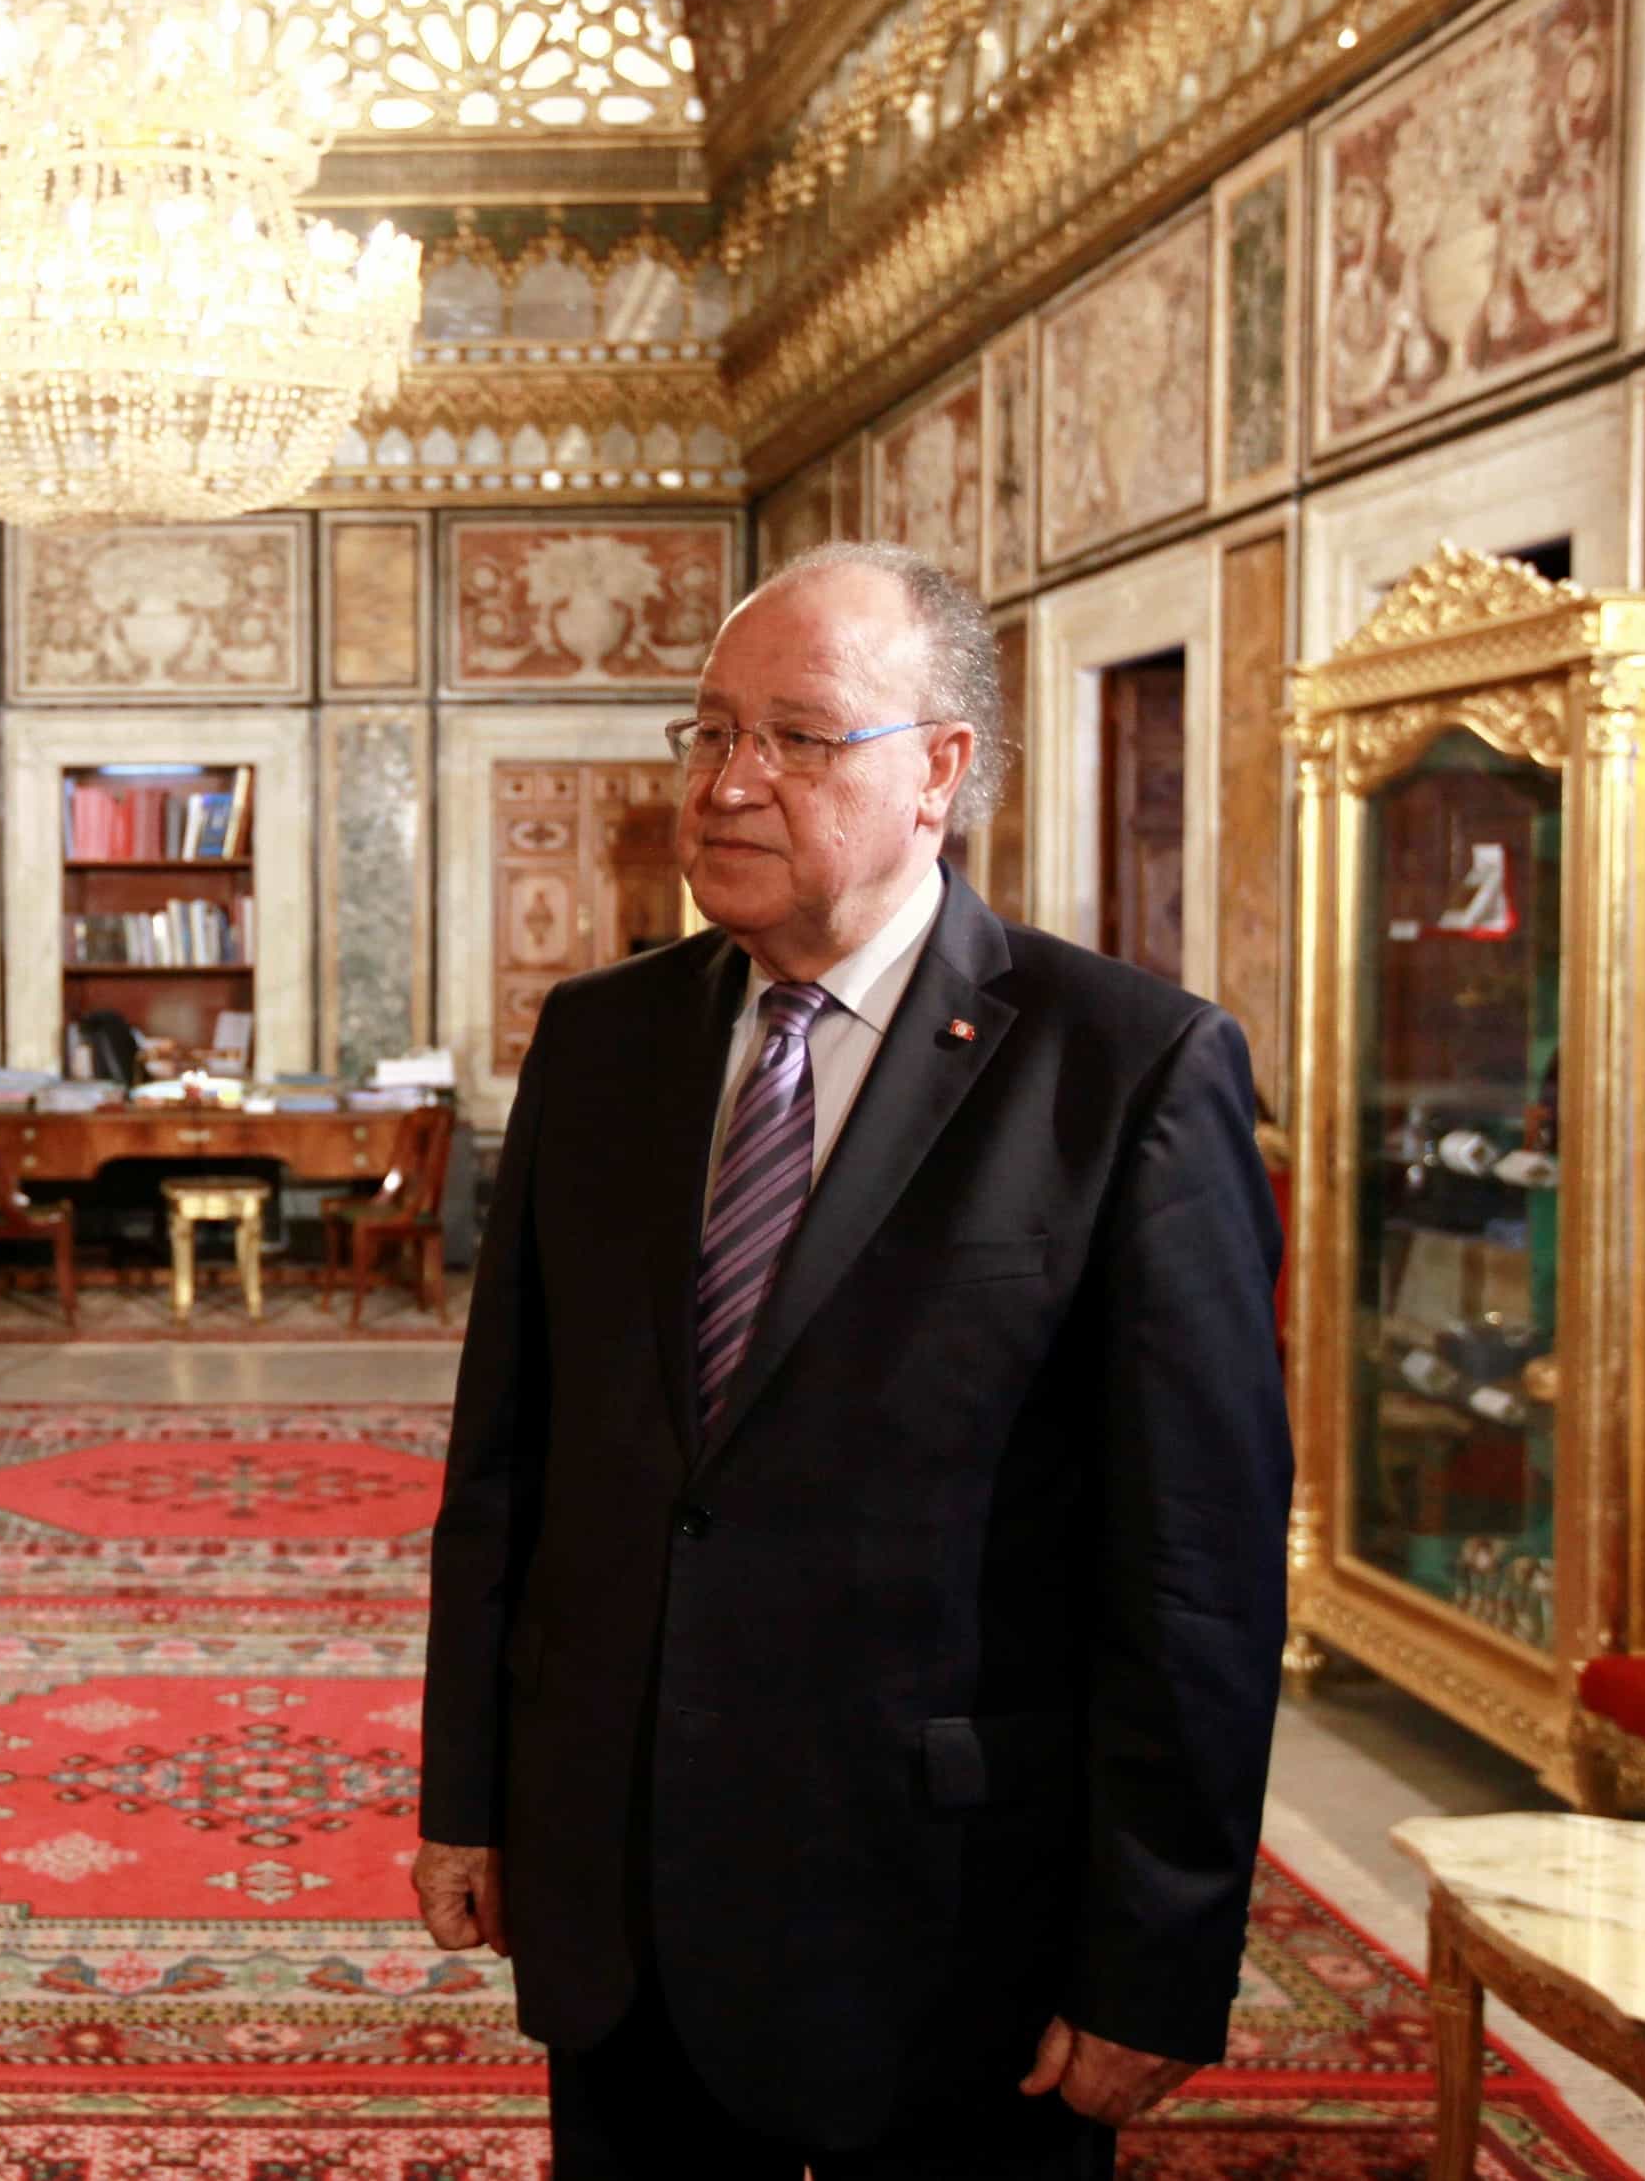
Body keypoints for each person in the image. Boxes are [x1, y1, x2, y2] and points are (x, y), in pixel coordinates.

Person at [415, 544, 1291, 2178]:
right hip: (624, 1894)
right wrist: (468, 1792)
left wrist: (1158, 1950)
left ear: (940, 768)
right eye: (710, 733)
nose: (731, 782)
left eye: (801, 739)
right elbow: (506, 1466)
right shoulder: (598, 1043)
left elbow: (1198, 1572)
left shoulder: (1130, 1072)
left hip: (951, 1913)